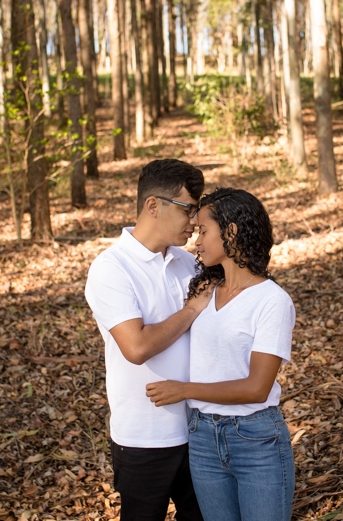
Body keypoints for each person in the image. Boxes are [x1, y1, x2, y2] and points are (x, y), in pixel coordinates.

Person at [145, 187, 296, 521]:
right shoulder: (203, 291)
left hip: (255, 439)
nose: (195, 241)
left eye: (202, 230)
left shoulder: (272, 301)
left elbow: (257, 387)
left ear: (231, 231)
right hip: (202, 440)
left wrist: (183, 390)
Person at [84, 159, 209, 521]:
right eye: (188, 209)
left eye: (197, 211)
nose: (194, 221)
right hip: (144, 438)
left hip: (199, 428)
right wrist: (191, 309)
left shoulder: (188, 264)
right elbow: (135, 347)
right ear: (153, 205)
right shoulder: (111, 268)